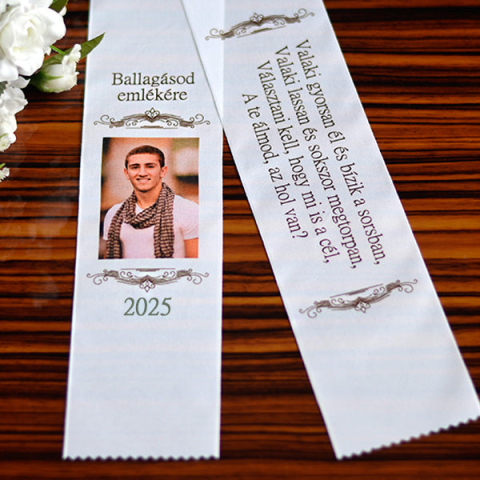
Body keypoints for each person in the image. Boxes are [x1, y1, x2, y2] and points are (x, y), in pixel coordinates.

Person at [103, 145, 199, 259]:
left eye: (150, 166)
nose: (142, 173)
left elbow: (195, 263)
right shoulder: (114, 213)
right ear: (126, 173)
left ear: (163, 171)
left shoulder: (187, 209)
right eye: (135, 167)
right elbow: (108, 262)